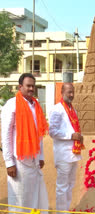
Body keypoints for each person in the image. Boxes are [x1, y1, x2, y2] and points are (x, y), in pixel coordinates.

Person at [1, 73, 48, 213]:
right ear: (20, 86)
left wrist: (40, 156)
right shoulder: (12, 104)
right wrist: (9, 162)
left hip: (34, 160)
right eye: (28, 86)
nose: (31, 88)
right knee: (19, 200)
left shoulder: (36, 105)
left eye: (33, 86)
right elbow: (6, 135)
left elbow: (38, 134)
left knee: (35, 198)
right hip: (19, 161)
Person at [49, 83, 84, 213]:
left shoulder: (72, 109)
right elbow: (52, 132)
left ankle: (66, 210)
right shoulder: (57, 109)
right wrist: (71, 136)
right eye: (69, 92)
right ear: (62, 92)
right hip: (63, 154)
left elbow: (72, 128)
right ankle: (61, 212)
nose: (71, 95)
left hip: (73, 153)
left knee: (70, 185)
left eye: (73, 92)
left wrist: (79, 136)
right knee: (62, 186)